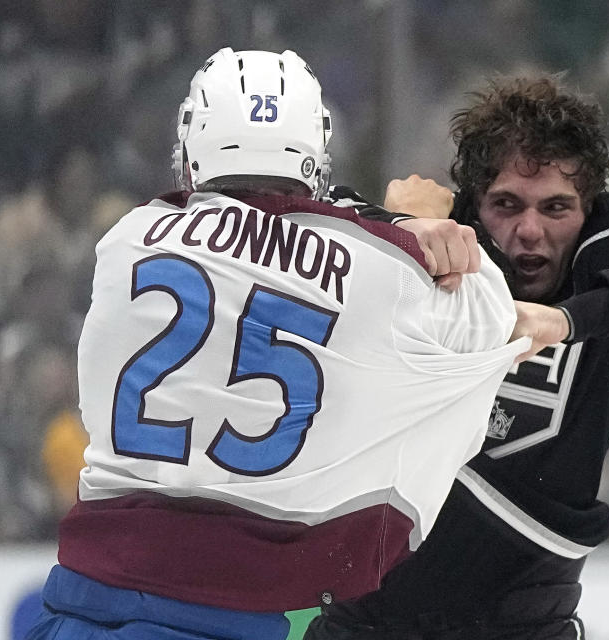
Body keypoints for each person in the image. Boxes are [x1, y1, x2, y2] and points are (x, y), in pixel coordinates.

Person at [27, 48, 551, 640]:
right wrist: (406, 223)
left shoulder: (128, 238)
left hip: (84, 598)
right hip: (231, 611)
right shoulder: (376, 267)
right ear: (317, 151)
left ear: (192, 143)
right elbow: (493, 315)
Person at [306, 76, 609, 639]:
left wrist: (573, 318)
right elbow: (288, 236)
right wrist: (398, 233)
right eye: (506, 205)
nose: (530, 230)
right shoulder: (437, 234)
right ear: (473, 204)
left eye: (557, 207)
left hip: (527, 617)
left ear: (591, 206)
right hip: (366, 614)